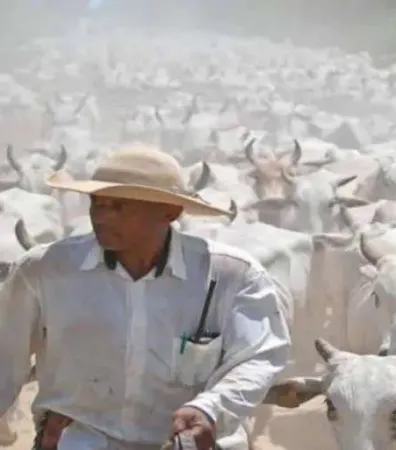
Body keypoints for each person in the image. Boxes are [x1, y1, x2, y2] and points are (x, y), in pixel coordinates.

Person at [0, 144, 292, 450]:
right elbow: (4, 358)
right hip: (80, 441)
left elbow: (259, 356)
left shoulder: (230, 276)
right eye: (97, 203)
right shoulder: (45, 270)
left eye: (119, 206)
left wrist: (210, 408)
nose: (101, 215)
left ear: (170, 211)